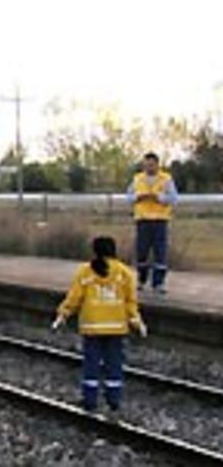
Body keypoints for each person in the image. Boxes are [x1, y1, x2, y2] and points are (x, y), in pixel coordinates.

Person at [52, 236, 147, 412]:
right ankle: (114, 400)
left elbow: (74, 298)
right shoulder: (125, 273)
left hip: (92, 327)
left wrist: (63, 314)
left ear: (95, 251)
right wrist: (137, 322)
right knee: (114, 364)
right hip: (116, 328)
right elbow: (130, 302)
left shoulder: (85, 272)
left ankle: (90, 400)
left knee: (91, 364)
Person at [126, 152, 178, 293]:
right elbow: (129, 197)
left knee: (160, 252)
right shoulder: (137, 179)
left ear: (157, 164)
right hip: (142, 220)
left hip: (160, 220)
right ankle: (141, 280)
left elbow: (174, 199)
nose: (149, 167)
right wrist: (138, 196)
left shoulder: (166, 179)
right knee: (141, 251)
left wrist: (159, 197)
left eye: (152, 164)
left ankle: (158, 283)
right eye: (146, 164)